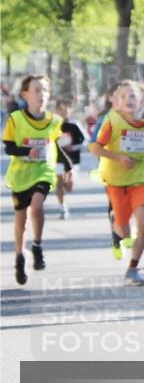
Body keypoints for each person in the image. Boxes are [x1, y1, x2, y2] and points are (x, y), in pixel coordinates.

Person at [3, 75, 73, 285]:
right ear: (25, 94)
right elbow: (8, 147)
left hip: (43, 171)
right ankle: (20, 256)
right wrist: (27, 150)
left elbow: (56, 147)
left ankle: (37, 245)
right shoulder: (15, 119)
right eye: (36, 90)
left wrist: (68, 168)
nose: (41, 94)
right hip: (21, 174)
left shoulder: (54, 121)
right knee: (21, 219)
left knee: (37, 206)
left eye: (44, 90)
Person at [89, 81, 144, 286]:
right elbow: (94, 147)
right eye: (124, 96)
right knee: (125, 230)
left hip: (139, 181)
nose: (129, 99)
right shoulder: (112, 122)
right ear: (117, 103)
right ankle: (117, 225)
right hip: (116, 183)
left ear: (142, 102)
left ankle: (133, 269)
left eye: (133, 96)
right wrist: (118, 158)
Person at [53, 98, 85, 219]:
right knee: (59, 182)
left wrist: (74, 146)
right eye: (61, 109)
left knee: (69, 185)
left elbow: (86, 141)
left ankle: (68, 184)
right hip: (58, 159)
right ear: (56, 110)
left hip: (73, 160)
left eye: (66, 108)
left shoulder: (74, 125)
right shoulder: (53, 124)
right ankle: (62, 207)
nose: (64, 111)